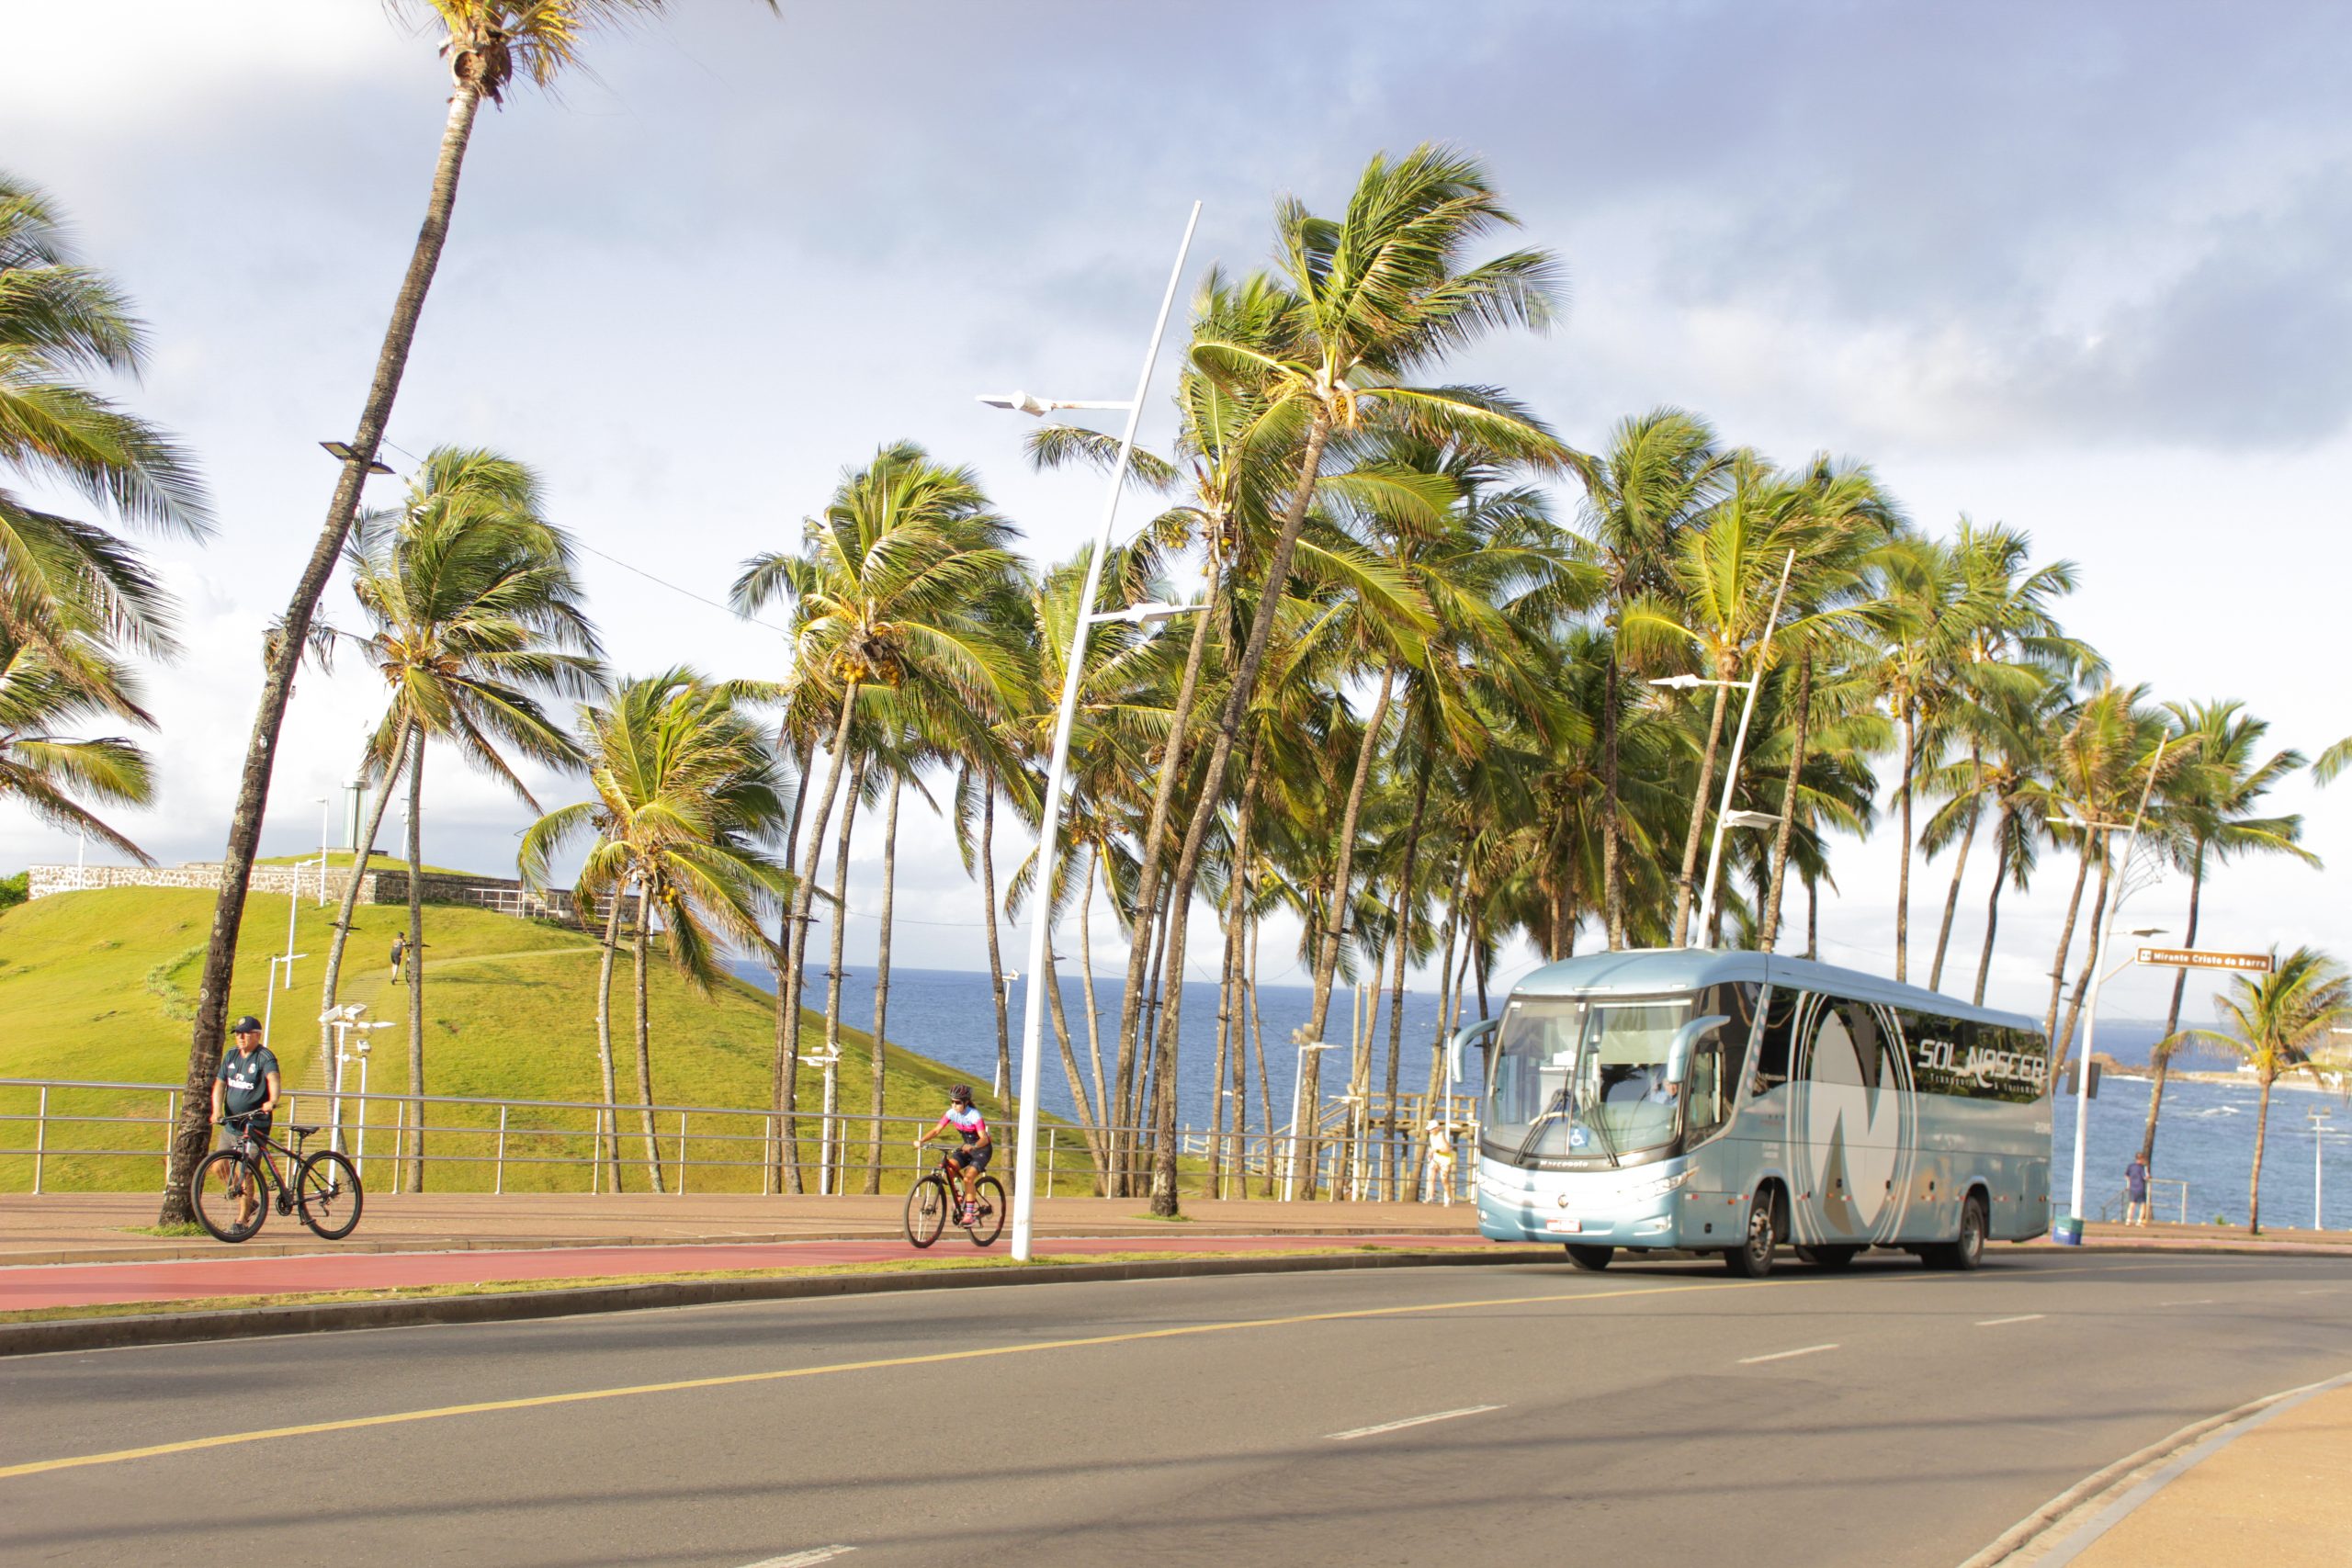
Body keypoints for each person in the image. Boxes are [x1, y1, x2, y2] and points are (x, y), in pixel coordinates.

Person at [210, 1015, 279, 1229]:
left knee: (245, 1171)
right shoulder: (231, 1056)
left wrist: (272, 1100)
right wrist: (216, 1111)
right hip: (232, 1124)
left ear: (257, 1035)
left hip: (254, 1124)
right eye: (238, 1034)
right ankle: (249, 1203)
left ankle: (242, 1220)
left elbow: (273, 1079)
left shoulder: (264, 1057)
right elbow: (220, 1084)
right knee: (217, 1166)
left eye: (246, 1033)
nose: (240, 1037)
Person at [914, 1084, 990, 1224]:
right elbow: (937, 1130)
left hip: (981, 1149)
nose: (954, 1105)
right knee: (948, 1168)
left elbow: (984, 1138)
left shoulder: (974, 1115)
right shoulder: (951, 1113)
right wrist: (921, 1140)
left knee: (968, 1178)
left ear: (966, 1102)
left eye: (958, 1102)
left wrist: (973, 1146)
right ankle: (960, 1196)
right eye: (952, 1102)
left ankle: (969, 1214)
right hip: (966, 1148)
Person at [2124, 1155, 2150, 1227]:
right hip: (2140, 1188)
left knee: (2132, 1204)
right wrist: (2148, 1177)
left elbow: (2126, 1175)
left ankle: (2128, 1220)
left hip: (2132, 1188)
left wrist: (2129, 1183)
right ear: (2142, 1159)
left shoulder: (2131, 1166)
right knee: (2143, 1205)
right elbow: (2145, 1177)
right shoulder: (2143, 1168)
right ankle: (2139, 1221)